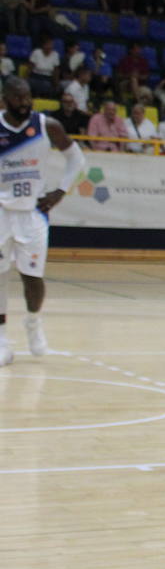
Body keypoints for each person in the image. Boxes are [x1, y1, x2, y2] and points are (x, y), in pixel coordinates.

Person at [0, 78, 85, 366]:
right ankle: (1, 339)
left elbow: (77, 160)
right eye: (18, 98)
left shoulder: (48, 126)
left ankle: (33, 322)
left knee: (32, 278)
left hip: (33, 214)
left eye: (28, 97)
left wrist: (60, 191)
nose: (24, 103)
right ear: (5, 99)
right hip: (1, 212)